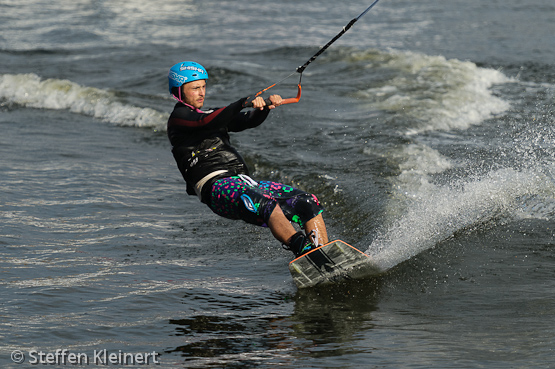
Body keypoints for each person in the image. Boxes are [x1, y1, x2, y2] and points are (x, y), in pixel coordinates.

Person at [167, 61, 329, 257]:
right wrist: (243, 102)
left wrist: (265, 107)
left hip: (244, 182)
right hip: (216, 187)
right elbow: (208, 120)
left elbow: (246, 121)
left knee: (306, 201)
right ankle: (304, 250)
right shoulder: (179, 119)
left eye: (203, 87)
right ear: (179, 91)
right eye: (195, 88)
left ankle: (323, 252)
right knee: (263, 202)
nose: (202, 92)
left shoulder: (210, 115)